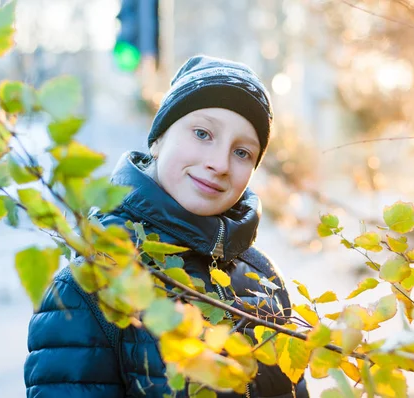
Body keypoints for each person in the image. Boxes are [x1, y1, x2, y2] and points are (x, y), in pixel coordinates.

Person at [24, 55, 310, 398]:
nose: (219, 164)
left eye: (242, 152)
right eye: (202, 133)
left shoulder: (263, 277)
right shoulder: (89, 287)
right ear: (158, 139)